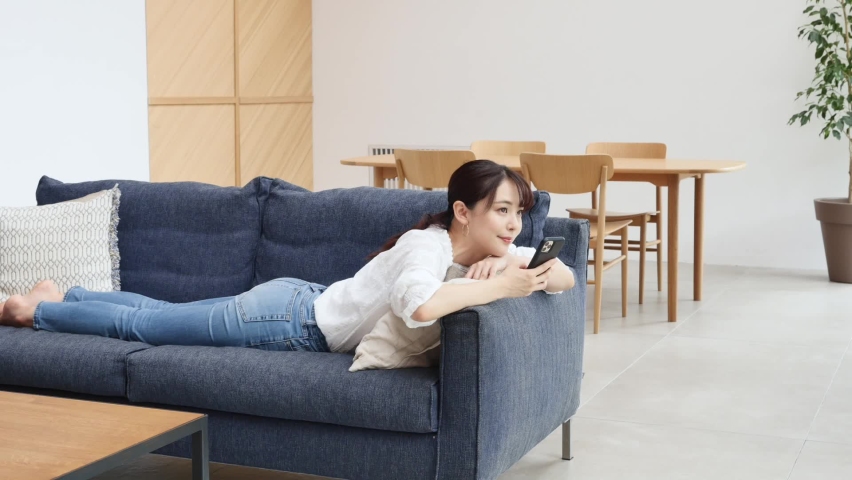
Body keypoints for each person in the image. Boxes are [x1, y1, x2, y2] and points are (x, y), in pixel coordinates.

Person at [0, 160, 575, 354]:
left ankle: (66, 295)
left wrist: (511, 265)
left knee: (154, 311)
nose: (514, 225)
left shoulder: (489, 254)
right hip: (285, 322)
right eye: (502, 211)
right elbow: (421, 307)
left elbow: (565, 272)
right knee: (148, 326)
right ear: (462, 211)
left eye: (518, 213)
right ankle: (34, 312)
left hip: (297, 303)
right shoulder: (425, 247)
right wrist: (503, 284)